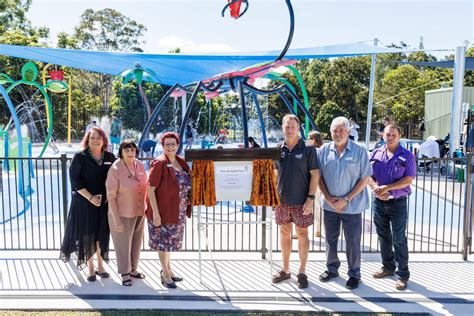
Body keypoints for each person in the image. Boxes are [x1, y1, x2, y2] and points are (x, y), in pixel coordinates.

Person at [317, 116, 372, 290]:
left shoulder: (360, 151)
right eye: (335, 130)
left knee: (353, 241)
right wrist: (327, 197)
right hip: (330, 205)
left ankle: (354, 274)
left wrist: (346, 199)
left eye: (341, 130)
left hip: (352, 206)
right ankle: (332, 269)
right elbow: (318, 176)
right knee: (330, 239)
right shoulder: (323, 151)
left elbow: (365, 178)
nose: (338, 133)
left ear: (348, 132)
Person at [60, 127, 116, 281]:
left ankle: (100, 266)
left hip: (103, 204)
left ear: (104, 140)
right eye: (92, 138)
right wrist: (91, 198)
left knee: (101, 234)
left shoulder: (111, 157)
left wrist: (107, 197)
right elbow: (75, 181)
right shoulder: (80, 157)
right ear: (87, 140)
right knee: (87, 233)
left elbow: (116, 179)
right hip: (84, 202)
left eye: (99, 137)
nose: (95, 140)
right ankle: (90, 267)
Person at [272, 114, 320, 289]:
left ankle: (302, 271)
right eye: (287, 126)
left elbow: (315, 174)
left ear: (298, 128)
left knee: (302, 235)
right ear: (283, 128)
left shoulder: (308, 148)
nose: (290, 129)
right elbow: (274, 175)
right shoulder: (279, 149)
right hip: (282, 201)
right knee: (284, 235)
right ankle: (285, 270)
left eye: (293, 126)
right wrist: (273, 197)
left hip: (302, 202)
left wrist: (311, 198)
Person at [368, 124, 416, 290]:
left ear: (399, 136)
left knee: (399, 238)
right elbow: (369, 176)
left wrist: (387, 189)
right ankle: (387, 267)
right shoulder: (376, 153)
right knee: (383, 236)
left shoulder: (407, 155)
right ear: (383, 136)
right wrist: (375, 188)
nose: (390, 137)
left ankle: (403, 275)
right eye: (387, 134)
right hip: (379, 202)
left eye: (393, 135)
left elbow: (408, 179)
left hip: (397, 202)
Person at [146, 132, 192, 289]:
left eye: (173, 144)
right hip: (163, 210)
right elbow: (150, 189)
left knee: (170, 243)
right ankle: (165, 273)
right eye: (167, 144)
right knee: (163, 243)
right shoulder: (159, 163)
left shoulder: (181, 162)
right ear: (162, 146)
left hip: (177, 211)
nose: (171, 147)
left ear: (178, 145)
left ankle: (169, 270)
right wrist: (156, 213)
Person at [106, 141, 147, 286]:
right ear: (121, 152)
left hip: (139, 211)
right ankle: (124, 272)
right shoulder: (115, 168)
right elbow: (110, 195)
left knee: (136, 242)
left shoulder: (139, 165)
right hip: (121, 213)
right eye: (126, 150)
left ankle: (133, 269)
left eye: (132, 150)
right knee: (123, 243)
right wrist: (116, 219)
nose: (130, 153)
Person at [307, 130, 323, 237]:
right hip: (318, 181)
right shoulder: (322, 150)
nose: (307, 139)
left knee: (308, 204)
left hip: (311, 180)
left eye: (309, 137)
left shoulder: (311, 151)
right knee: (317, 204)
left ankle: (311, 228)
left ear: (314, 139)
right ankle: (318, 229)